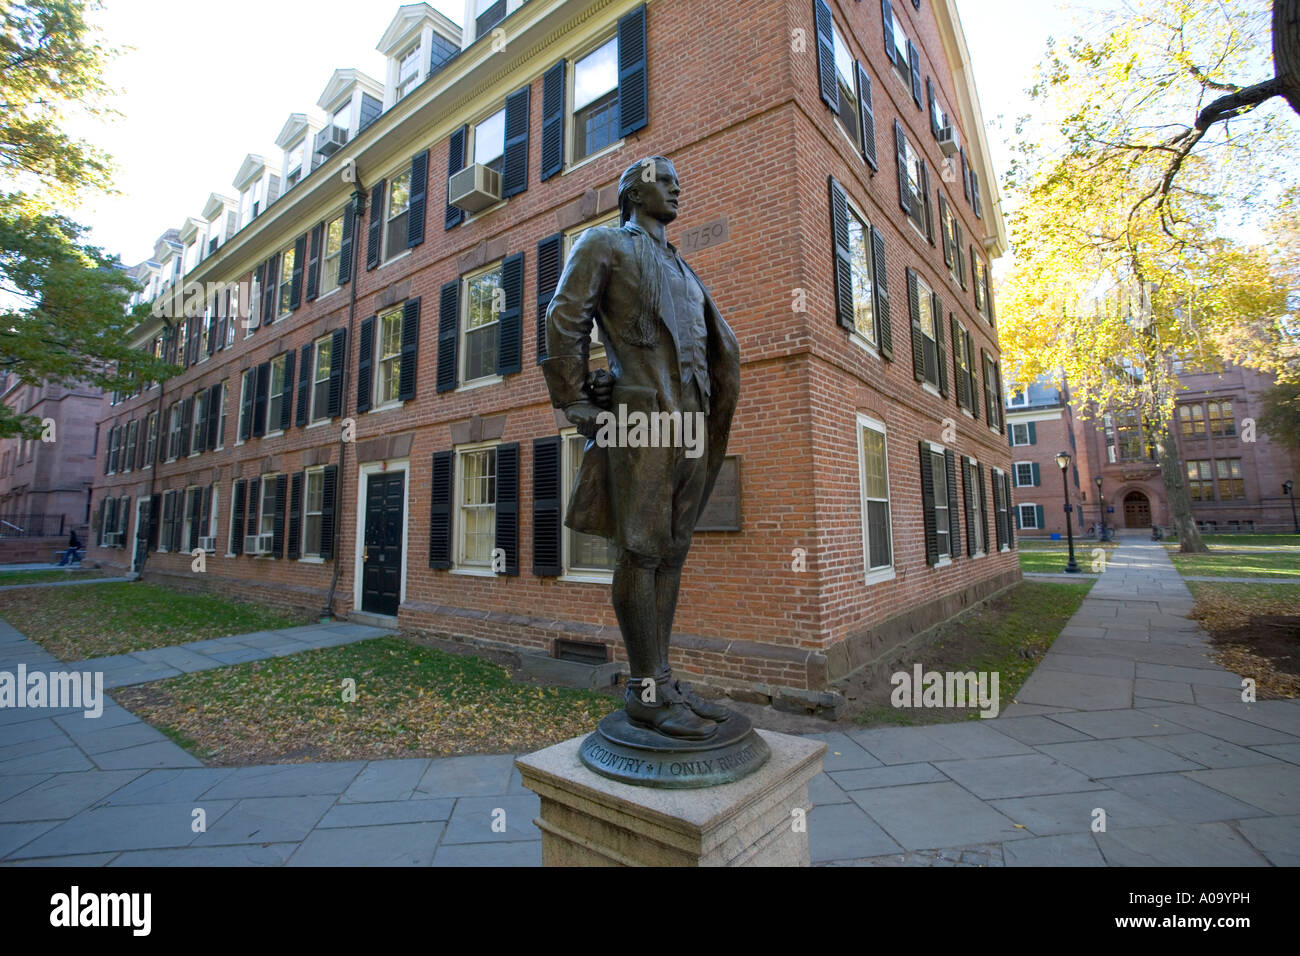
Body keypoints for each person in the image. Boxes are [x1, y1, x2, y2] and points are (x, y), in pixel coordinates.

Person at [542, 156, 740, 740]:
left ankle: (663, 677)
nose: (677, 185)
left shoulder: (684, 267)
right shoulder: (604, 243)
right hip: (642, 419)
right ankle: (644, 692)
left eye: (679, 177)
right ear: (633, 191)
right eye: (662, 178)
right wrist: (577, 399)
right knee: (641, 549)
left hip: (694, 422)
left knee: (672, 552)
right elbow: (563, 318)